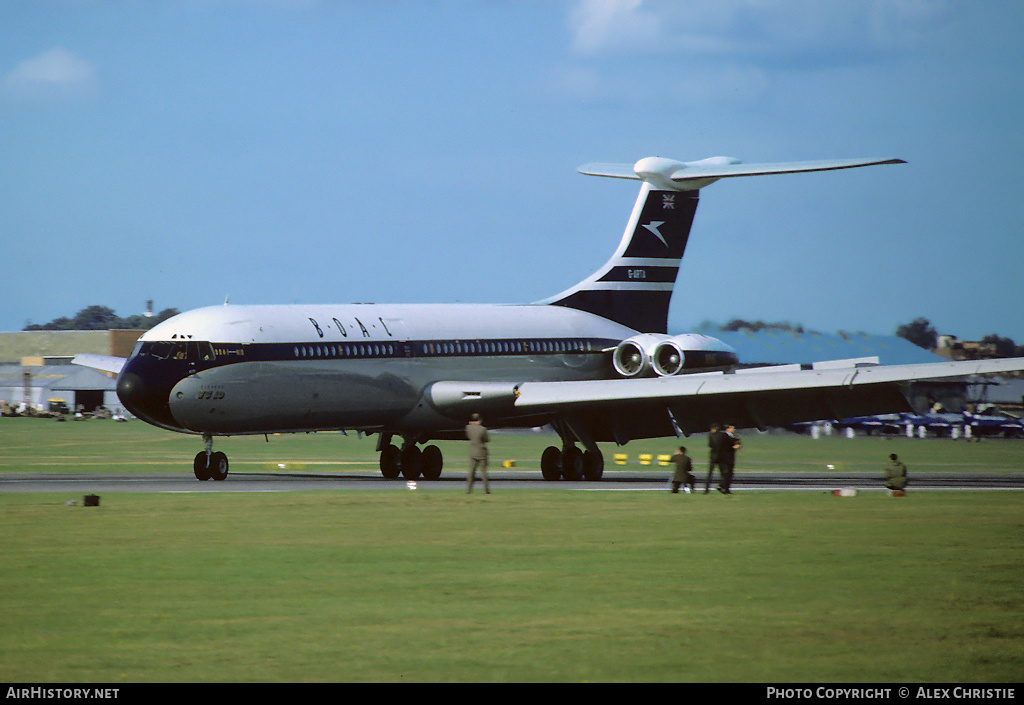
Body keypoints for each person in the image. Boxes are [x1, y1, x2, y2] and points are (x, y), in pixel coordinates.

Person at [465, 413, 490, 494]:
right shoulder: (482, 429)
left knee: (471, 472)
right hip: (481, 452)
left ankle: (468, 490)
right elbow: (486, 439)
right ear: (479, 420)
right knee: (483, 473)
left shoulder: (468, 428)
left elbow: (468, 436)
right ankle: (486, 490)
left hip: (472, 451)